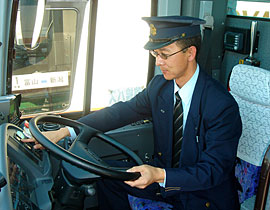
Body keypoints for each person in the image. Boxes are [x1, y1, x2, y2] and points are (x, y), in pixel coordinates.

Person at [23, 16, 242, 209]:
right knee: (107, 174)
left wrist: (159, 175)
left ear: (190, 53)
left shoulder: (221, 106)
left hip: (202, 195)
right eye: (156, 54)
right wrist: (65, 130)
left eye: (165, 54)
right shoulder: (160, 87)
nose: (158, 63)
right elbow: (120, 113)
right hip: (164, 181)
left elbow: (212, 171)